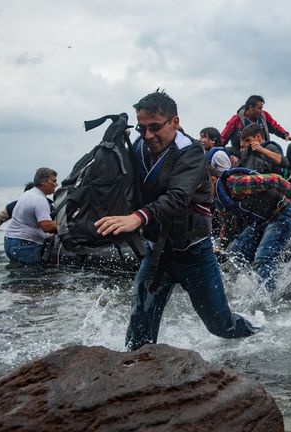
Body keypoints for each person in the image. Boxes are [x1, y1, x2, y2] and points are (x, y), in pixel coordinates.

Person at [95, 91, 256, 350]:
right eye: (142, 128)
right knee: (139, 328)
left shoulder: (191, 153)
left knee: (221, 326)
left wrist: (138, 218)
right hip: (157, 254)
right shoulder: (138, 147)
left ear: (175, 122)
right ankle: (136, 373)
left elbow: (178, 197)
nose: (148, 135)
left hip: (195, 254)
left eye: (155, 127)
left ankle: (257, 330)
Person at [216, 166, 291, 292]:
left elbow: (275, 179)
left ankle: (268, 299)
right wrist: (221, 247)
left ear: (212, 179)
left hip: (282, 214)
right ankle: (250, 289)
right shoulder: (217, 198)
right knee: (235, 251)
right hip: (261, 221)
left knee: (263, 257)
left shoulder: (237, 184)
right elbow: (226, 225)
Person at [3, 168, 57, 266]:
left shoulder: (28, 194)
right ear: (44, 182)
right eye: (54, 181)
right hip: (25, 245)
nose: (56, 184)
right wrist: (64, 224)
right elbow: (46, 227)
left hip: (9, 241)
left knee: (17, 275)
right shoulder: (40, 199)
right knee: (33, 278)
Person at [220, 95, 291, 150]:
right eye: (259, 108)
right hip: (241, 155)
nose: (261, 111)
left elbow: (275, 126)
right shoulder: (236, 120)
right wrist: (217, 150)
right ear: (251, 107)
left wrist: (285, 135)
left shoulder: (264, 116)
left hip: (263, 152)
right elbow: (224, 137)